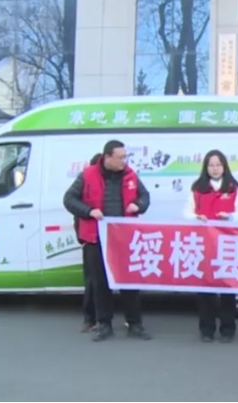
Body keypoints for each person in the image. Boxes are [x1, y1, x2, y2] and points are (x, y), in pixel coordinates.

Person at [63, 140, 152, 342]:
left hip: (124, 237)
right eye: (120, 157)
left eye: (125, 157)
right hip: (96, 237)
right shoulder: (87, 175)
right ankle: (104, 324)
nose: (124, 161)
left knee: (129, 282)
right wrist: (88, 211)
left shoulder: (130, 174)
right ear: (108, 157)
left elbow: (145, 196)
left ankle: (135, 324)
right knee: (100, 283)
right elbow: (69, 199)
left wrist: (138, 205)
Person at [183, 149, 238, 343]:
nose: (215, 168)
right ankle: (206, 330)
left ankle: (228, 329)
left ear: (224, 166)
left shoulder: (234, 188)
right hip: (204, 244)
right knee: (205, 288)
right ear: (206, 167)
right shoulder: (197, 189)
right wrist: (196, 217)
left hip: (228, 245)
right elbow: (186, 213)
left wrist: (230, 217)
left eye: (218, 165)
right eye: (211, 165)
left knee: (227, 288)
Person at [77, 152, 102, 333]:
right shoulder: (85, 184)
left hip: (113, 240)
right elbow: (77, 211)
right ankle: (90, 318)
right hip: (92, 239)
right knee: (93, 281)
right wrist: (82, 238)